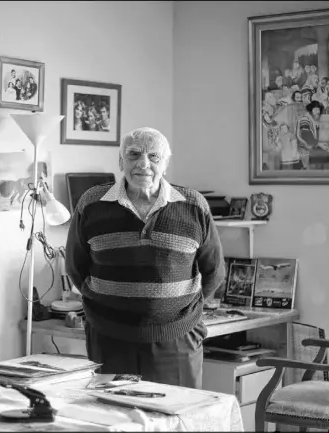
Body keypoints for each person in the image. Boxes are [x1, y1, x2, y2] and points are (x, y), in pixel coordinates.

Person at [65, 127, 226, 389]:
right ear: (120, 161)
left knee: (177, 418)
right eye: (134, 154)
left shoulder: (193, 205)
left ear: (166, 163)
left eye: (154, 156)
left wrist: (181, 313)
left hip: (176, 339)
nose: (143, 164)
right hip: (108, 338)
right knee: (113, 419)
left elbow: (214, 270)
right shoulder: (91, 203)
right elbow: (75, 266)